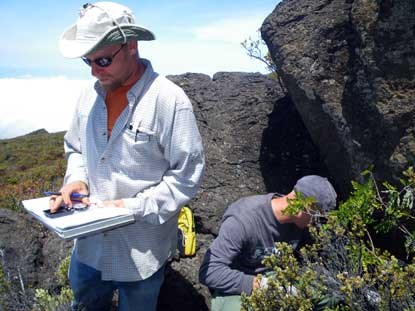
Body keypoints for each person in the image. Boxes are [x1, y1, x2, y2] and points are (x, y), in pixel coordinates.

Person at [50, 2, 205, 310]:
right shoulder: (87, 97)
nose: (95, 69)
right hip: (89, 248)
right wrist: (77, 180)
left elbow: (186, 177)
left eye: (103, 59)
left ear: (131, 45)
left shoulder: (169, 100)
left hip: (141, 254)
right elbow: (76, 148)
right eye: (87, 61)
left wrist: (131, 207)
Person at [199, 175, 337, 311]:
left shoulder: (301, 223)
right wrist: (262, 285)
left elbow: (313, 256)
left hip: (278, 275)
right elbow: (210, 271)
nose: (317, 223)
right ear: (306, 206)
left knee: (331, 293)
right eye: (318, 216)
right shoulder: (243, 221)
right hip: (240, 283)